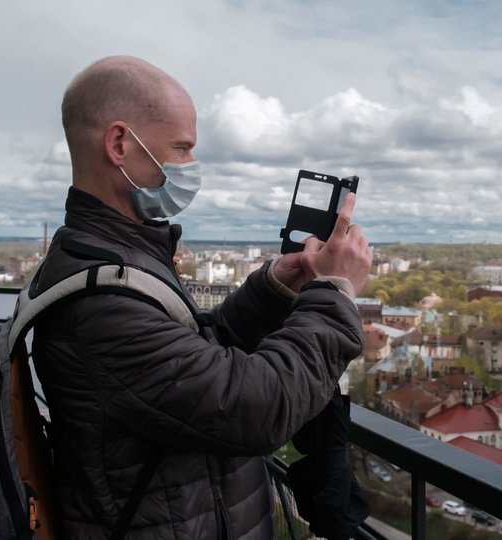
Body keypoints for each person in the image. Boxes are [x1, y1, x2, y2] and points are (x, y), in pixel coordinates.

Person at [31, 55, 372, 539]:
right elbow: (254, 408)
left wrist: (273, 288)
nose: (190, 166)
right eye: (181, 148)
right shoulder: (97, 300)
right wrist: (335, 292)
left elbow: (195, 360)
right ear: (120, 144)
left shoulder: (115, 255)